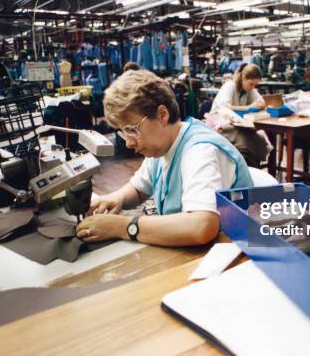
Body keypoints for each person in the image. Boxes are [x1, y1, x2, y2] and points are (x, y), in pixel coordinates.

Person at [76, 69, 253, 246]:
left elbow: (202, 226)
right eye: (123, 132)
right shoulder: (161, 147)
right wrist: (115, 199)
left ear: (162, 115)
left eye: (132, 129)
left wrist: (123, 227)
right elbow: (139, 189)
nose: (129, 143)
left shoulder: (200, 151)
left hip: (234, 255)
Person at [209, 63, 270, 167]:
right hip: (218, 122)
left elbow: (261, 102)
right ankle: (246, 166)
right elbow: (224, 107)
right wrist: (248, 107)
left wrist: (258, 104)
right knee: (245, 138)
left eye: (255, 85)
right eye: (251, 84)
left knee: (258, 137)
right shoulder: (230, 86)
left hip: (235, 122)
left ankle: (252, 166)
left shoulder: (249, 89)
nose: (253, 87)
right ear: (243, 78)